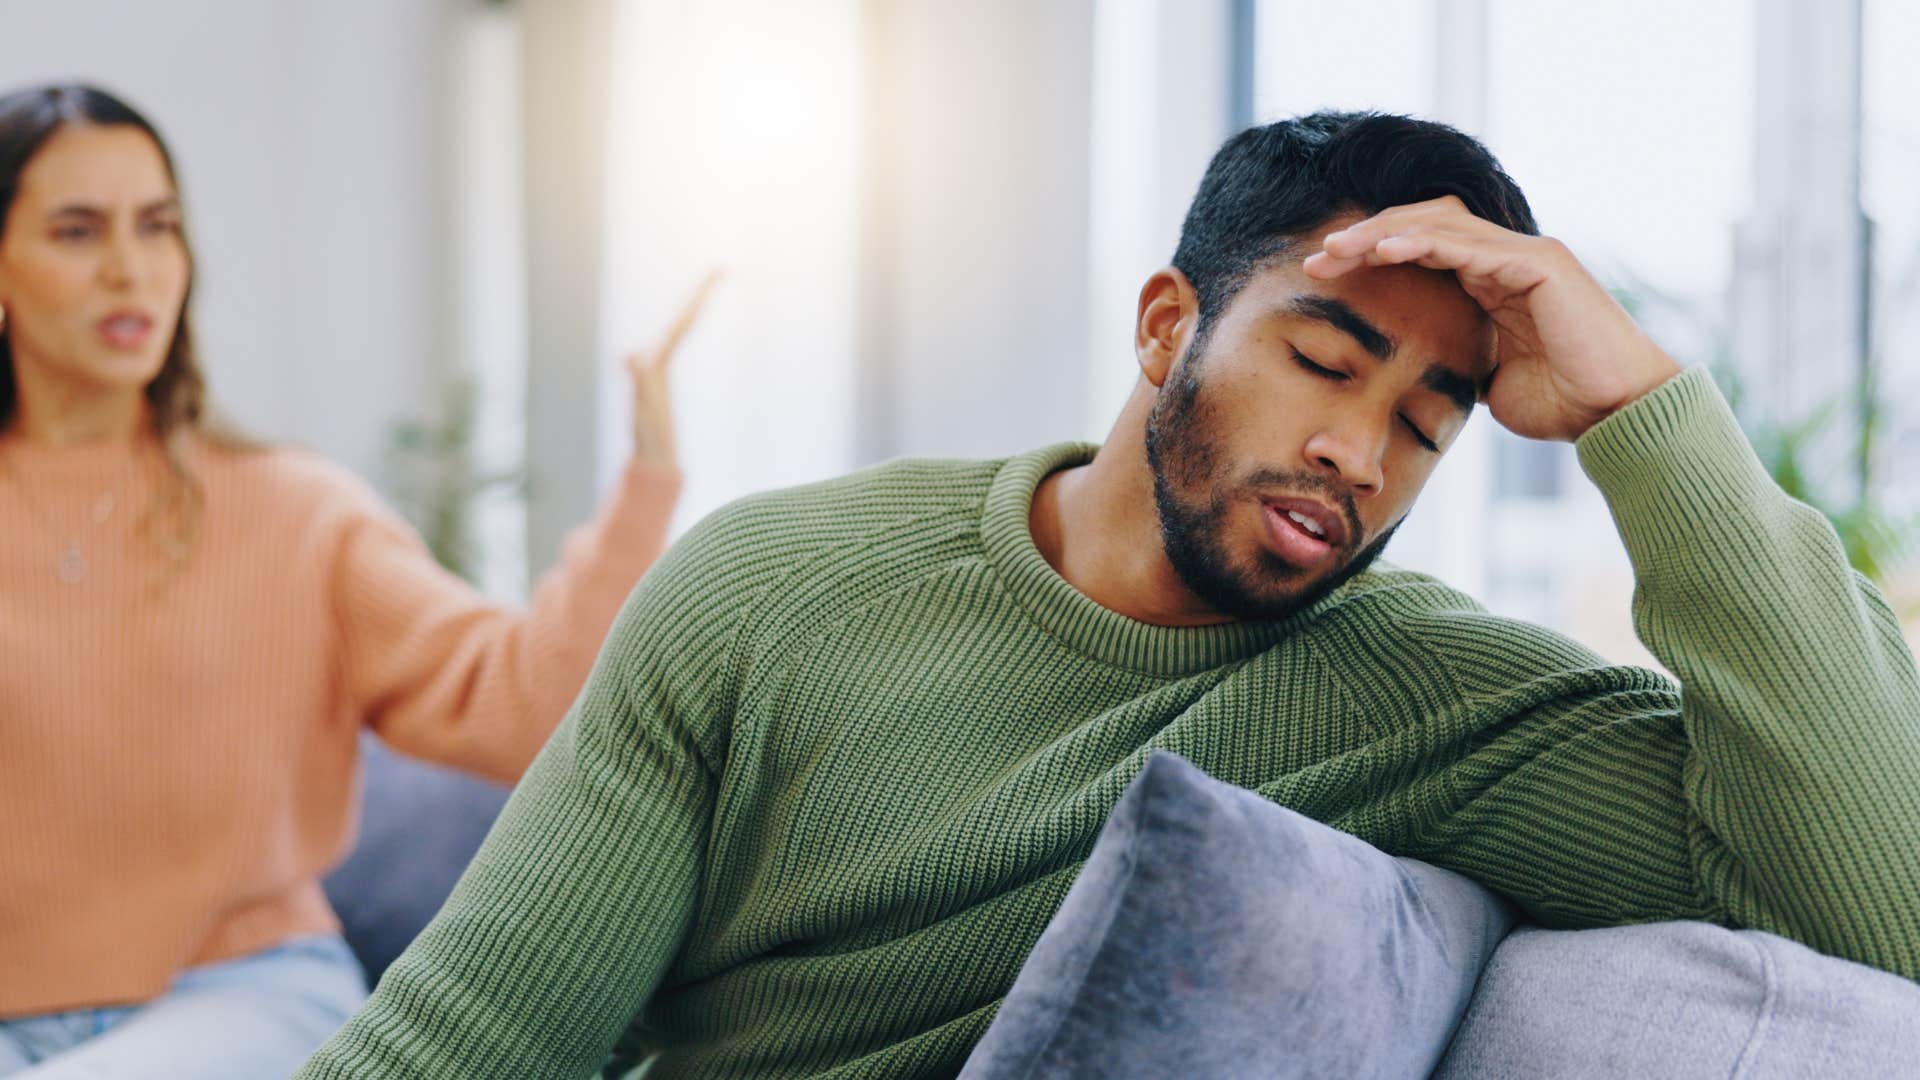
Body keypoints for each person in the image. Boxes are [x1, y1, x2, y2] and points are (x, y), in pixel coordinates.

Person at [299, 112, 1920, 1080]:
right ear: (1168, 329)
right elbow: (471, 1041)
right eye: (1323, 360)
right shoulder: (771, 584)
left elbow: (1886, 914)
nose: (1359, 452)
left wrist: (1653, 419)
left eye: (1428, 423)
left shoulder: (1439, 699)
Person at [0, 83, 714, 1077]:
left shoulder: (295, 512)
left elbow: (528, 701)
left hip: (243, 997)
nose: (130, 268)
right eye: (78, 231)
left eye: (157, 227)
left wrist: (643, 483)